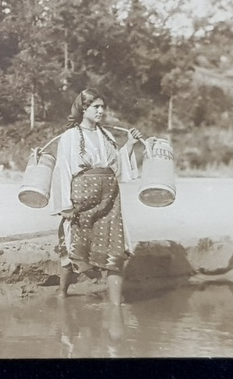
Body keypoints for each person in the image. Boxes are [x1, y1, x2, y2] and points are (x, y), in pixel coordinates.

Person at [49, 88, 142, 305]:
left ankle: (116, 309)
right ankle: (62, 292)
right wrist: (66, 205)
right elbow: (62, 170)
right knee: (75, 248)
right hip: (82, 200)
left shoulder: (106, 135)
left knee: (115, 253)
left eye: (102, 107)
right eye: (95, 107)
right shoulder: (70, 136)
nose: (101, 111)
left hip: (109, 202)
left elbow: (116, 167)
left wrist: (129, 144)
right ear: (83, 108)